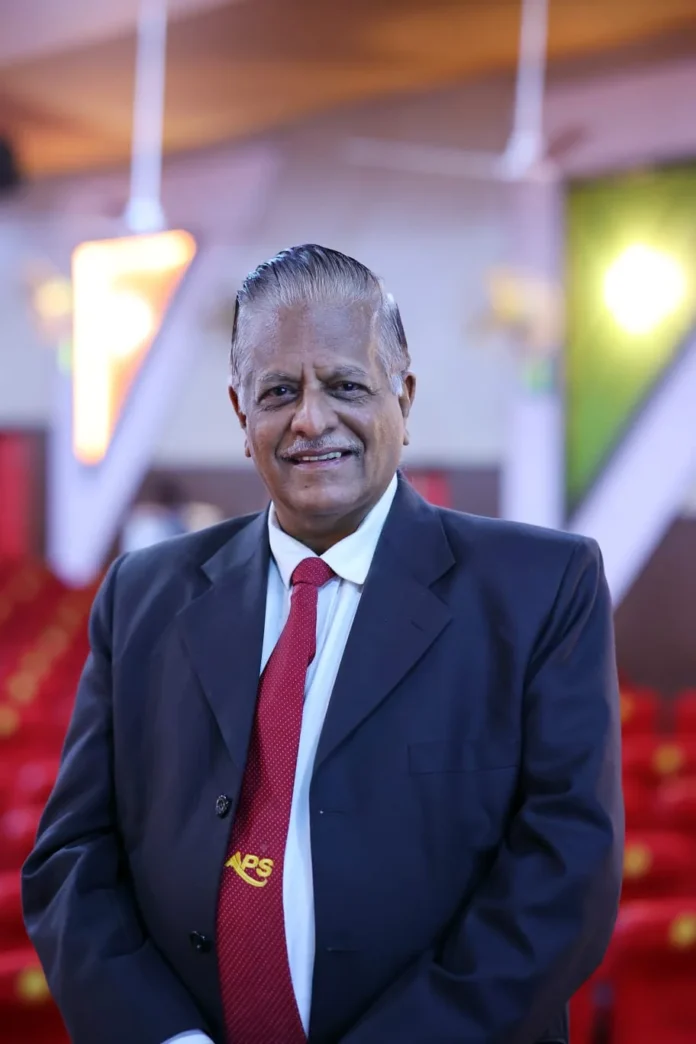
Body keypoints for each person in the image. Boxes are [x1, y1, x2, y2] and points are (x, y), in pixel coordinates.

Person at [22, 245, 623, 1044]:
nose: (310, 419)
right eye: (279, 391)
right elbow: (72, 860)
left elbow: (564, 872)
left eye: (345, 385)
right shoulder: (143, 595)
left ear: (404, 397)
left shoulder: (540, 588)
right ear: (241, 414)